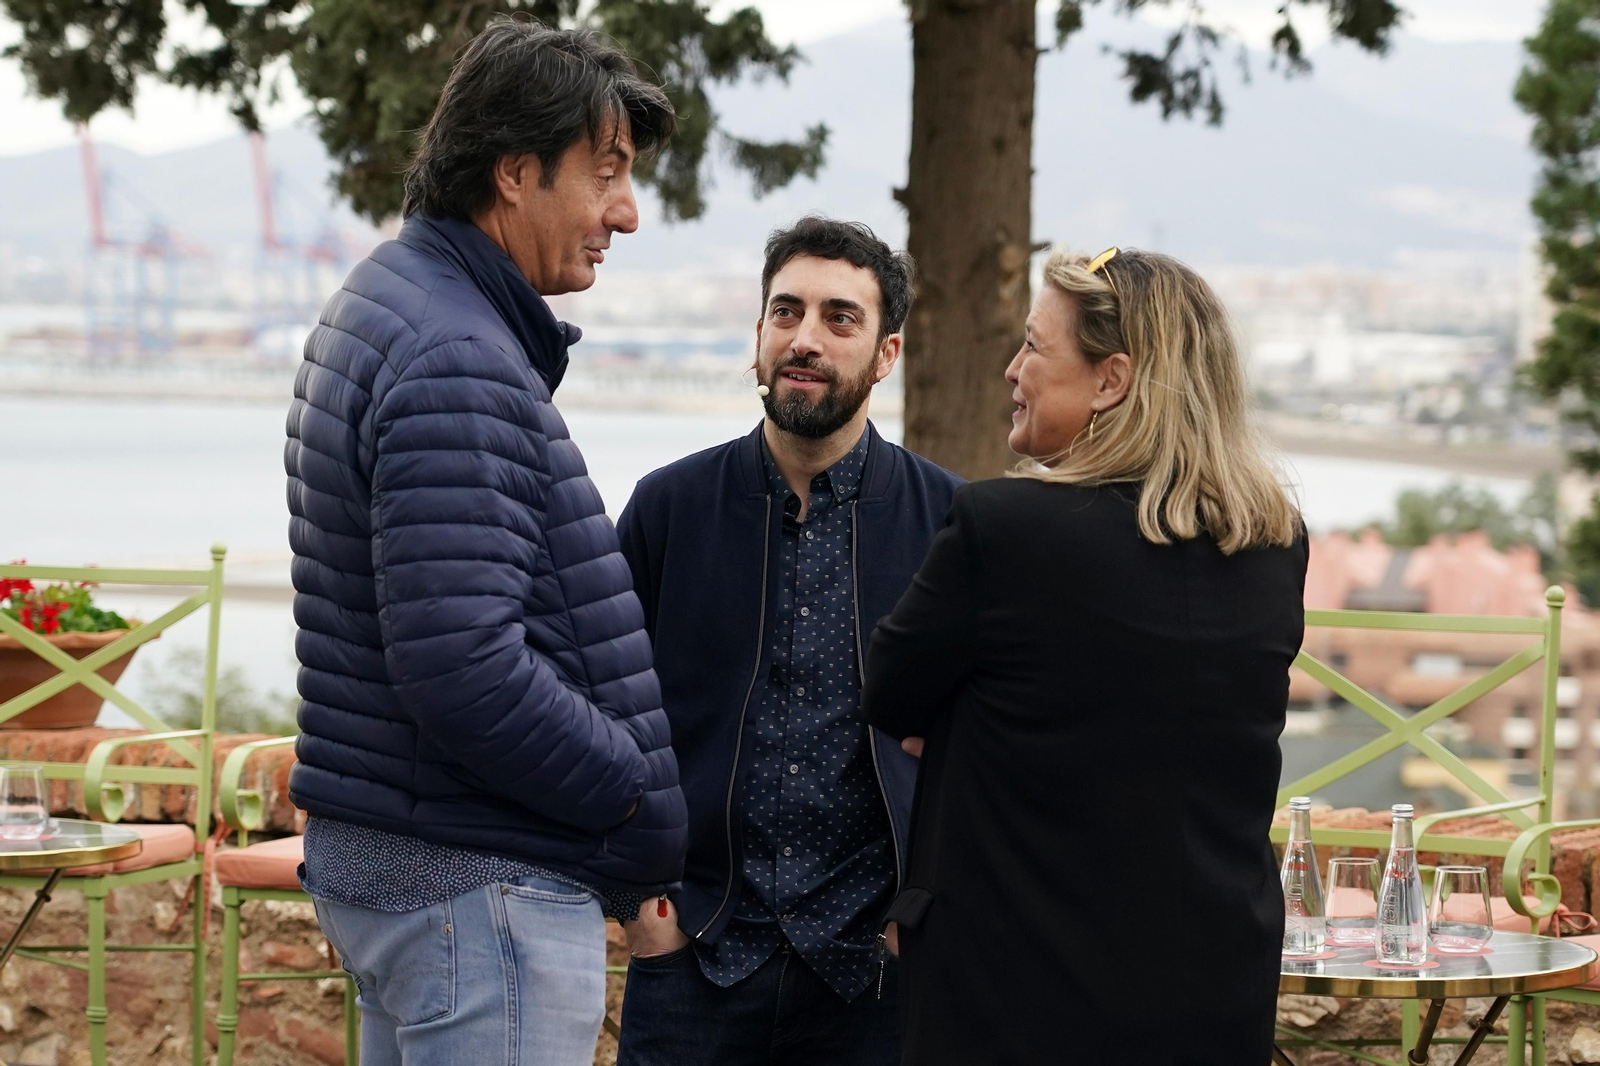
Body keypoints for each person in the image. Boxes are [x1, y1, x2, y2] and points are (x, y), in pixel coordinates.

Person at [283, 19, 686, 1066]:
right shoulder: (455, 354)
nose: (626, 213)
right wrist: (629, 787)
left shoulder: (391, 304)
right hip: (478, 889)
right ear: (514, 173)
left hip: (415, 872)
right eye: (605, 174)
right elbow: (462, 666)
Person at [862, 247, 1308, 1065]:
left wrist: (962, 713)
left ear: (1111, 380)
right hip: (1212, 991)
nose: (1011, 368)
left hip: (1016, 998)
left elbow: (890, 691)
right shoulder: (1274, 542)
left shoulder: (1006, 528)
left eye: (1034, 346)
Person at [613, 216, 962, 1066]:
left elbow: (981, 747)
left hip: (871, 979)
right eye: (785, 312)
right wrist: (636, 902)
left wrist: (913, 920)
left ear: (888, 353)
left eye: (839, 318)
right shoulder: (669, 508)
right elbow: (606, 706)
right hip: (693, 955)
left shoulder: (951, 525)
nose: (805, 339)